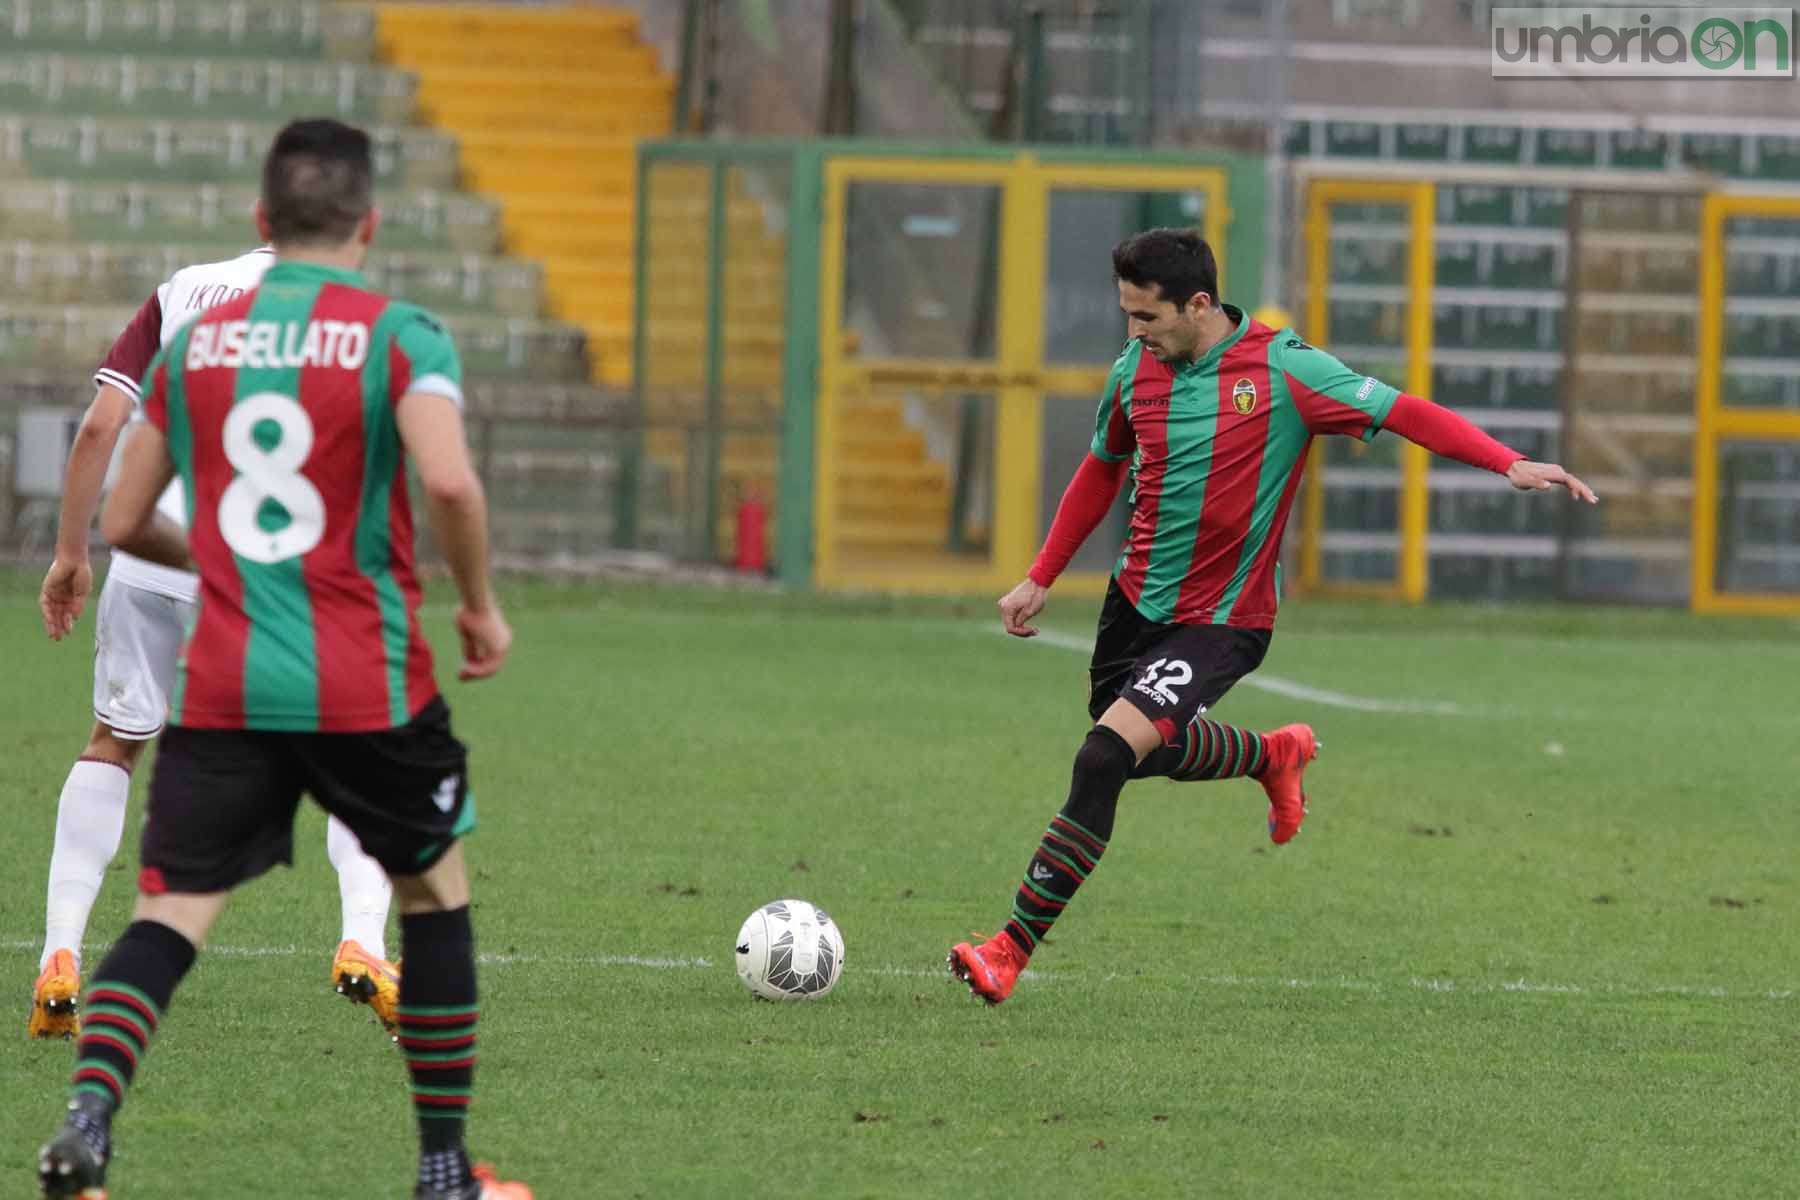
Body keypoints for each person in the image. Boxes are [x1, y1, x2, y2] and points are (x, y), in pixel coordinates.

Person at [35, 117, 530, 1200]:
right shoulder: (405, 334)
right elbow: (450, 484)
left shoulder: (197, 342)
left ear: (262, 220)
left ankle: (85, 1124)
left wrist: (216, 560)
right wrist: (482, 607)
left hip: (229, 674)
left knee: (168, 917)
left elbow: (124, 514)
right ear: (370, 223)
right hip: (367, 671)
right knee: (436, 899)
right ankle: (445, 1171)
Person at [948, 227, 1597, 1006]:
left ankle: (1008, 950)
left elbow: (1399, 409)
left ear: (1198, 304)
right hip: (1135, 603)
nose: (1133, 333)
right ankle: (1268, 756)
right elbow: (1100, 469)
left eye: (1146, 317)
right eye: (1125, 315)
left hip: (1223, 620)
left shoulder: (1285, 369)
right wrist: (1041, 575)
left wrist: (1506, 461)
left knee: (1101, 760)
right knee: (1140, 750)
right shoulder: (1135, 370)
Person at [31, 244, 403, 1042]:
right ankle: (363, 941)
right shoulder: (344, 310)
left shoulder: (187, 288)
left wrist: (70, 554)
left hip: (151, 555)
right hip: (270, 566)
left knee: (114, 743)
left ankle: (58, 957)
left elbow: (102, 424)